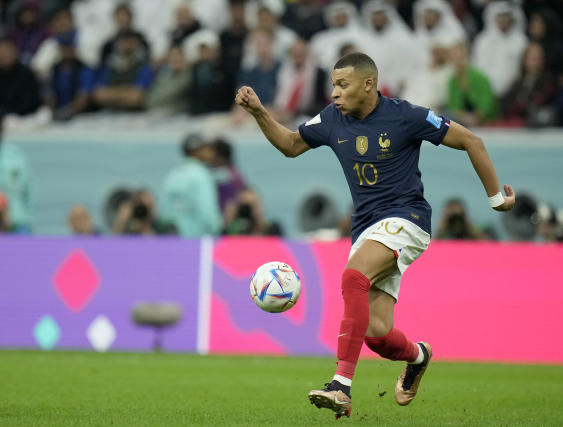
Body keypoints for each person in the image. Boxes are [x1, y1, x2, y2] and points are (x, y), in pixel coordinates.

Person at [235, 52, 515, 419]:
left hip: (408, 219)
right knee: (376, 333)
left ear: (369, 84)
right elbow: (290, 145)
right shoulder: (332, 118)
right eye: (333, 84)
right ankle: (418, 356)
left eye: (342, 84)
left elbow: (472, 141)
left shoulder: (406, 116)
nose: (334, 93)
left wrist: (497, 199)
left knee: (354, 277)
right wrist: (258, 111)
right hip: (367, 227)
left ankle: (341, 386)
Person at [159, 133, 222, 237]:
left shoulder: (173, 174)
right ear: (195, 151)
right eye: (205, 148)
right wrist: (217, 231)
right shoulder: (201, 175)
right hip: (198, 240)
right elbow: (208, 213)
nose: (210, 151)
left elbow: (163, 212)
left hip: (174, 240)